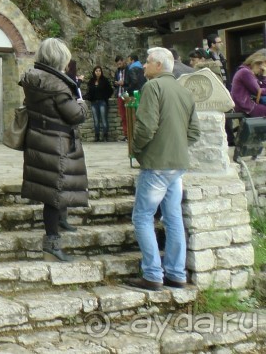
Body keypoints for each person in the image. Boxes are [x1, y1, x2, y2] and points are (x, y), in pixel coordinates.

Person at [126, 47, 199, 291]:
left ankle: (153, 275)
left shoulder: (152, 87)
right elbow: (194, 132)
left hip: (156, 164)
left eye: (147, 63)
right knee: (173, 217)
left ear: (158, 65)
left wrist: (136, 149)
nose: (144, 67)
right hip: (178, 165)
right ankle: (177, 274)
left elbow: (146, 126)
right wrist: (177, 146)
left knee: (142, 216)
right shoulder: (184, 91)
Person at [19, 38, 87, 262]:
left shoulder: (34, 78)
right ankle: (52, 244)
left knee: (55, 185)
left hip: (39, 138)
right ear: (60, 58)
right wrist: (82, 103)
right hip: (57, 141)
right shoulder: (57, 85)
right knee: (55, 191)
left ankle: (61, 220)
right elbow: (75, 115)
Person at [230, 49, 266, 117]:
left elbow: (262, 88)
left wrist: (264, 76)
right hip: (246, 106)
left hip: (248, 104)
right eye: (262, 69)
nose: (261, 71)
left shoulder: (250, 73)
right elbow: (258, 91)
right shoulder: (245, 72)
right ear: (258, 63)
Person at [85, 65, 113, 142]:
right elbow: (89, 92)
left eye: (99, 71)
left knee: (104, 119)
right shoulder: (91, 81)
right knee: (96, 120)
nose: (98, 72)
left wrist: (105, 97)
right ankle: (97, 136)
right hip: (94, 102)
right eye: (96, 71)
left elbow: (110, 90)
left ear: (101, 72)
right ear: (94, 72)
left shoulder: (105, 80)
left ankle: (105, 136)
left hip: (102, 102)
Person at [113, 56, 128, 141]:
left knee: (129, 114)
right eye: (117, 64)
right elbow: (114, 82)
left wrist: (123, 83)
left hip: (126, 94)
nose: (119, 65)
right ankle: (126, 134)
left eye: (120, 63)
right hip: (120, 94)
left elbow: (130, 81)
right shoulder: (117, 72)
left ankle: (130, 133)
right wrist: (116, 83)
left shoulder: (128, 70)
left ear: (123, 61)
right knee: (123, 116)